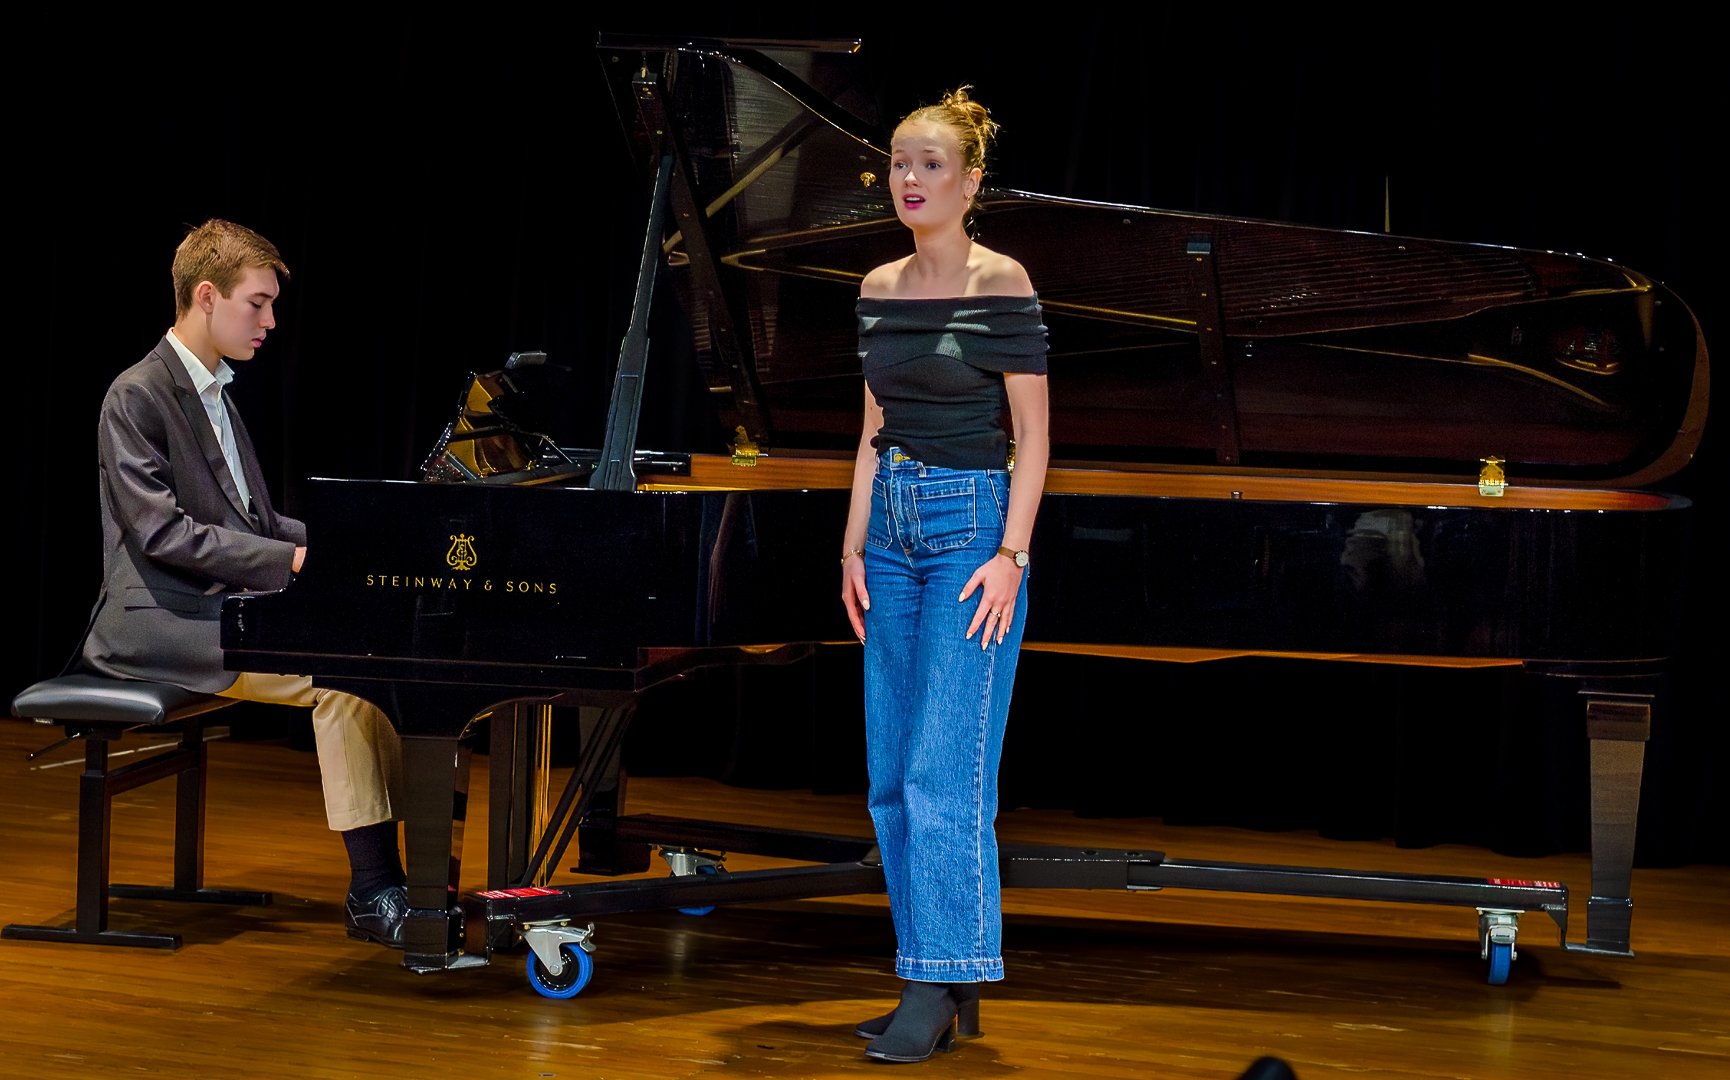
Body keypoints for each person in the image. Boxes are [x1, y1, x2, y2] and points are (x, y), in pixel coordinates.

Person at [75, 217, 410, 948]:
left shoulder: (216, 393)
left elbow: (255, 521)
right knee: (340, 679)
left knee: (379, 659)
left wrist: (351, 543)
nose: (270, 320)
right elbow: (161, 535)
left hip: (213, 604)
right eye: (257, 303)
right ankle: (374, 890)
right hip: (153, 618)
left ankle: (400, 880)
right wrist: (290, 562)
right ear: (206, 296)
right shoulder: (135, 396)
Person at [838, 86, 1050, 1064]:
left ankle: (937, 980)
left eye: (928, 164)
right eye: (896, 163)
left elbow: (1034, 437)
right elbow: (872, 428)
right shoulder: (877, 287)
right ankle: (934, 969)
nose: (908, 180)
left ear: (968, 182)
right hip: (889, 533)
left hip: (971, 526)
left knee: (942, 772)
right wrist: (849, 544)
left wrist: (1010, 555)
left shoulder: (1002, 280)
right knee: (888, 775)